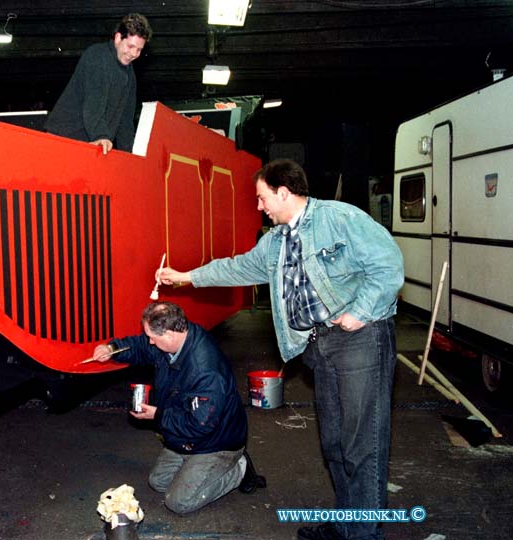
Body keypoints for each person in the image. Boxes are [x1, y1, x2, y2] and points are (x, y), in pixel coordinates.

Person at [157, 159, 404, 540]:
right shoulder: (274, 243)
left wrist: (360, 311)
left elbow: (387, 264)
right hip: (319, 346)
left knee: (362, 444)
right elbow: (237, 269)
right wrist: (186, 276)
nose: (259, 207)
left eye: (261, 197)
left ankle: (365, 533)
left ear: (283, 192)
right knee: (335, 443)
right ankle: (348, 524)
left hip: (360, 340)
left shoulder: (338, 218)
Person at [92, 301, 266, 515]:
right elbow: (139, 346)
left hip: (216, 441)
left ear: (169, 334)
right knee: (159, 482)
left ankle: (239, 468)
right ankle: (198, 469)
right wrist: (111, 349)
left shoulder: (206, 371)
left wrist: (157, 415)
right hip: (187, 436)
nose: (150, 342)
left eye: (153, 338)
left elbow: (199, 425)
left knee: (179, 502)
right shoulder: (176, 338)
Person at [44, 13, 151, 154]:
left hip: (88, 142)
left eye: (139, 50)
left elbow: (125, 120)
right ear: (118, 38)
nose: (133, 54)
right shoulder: (97, 56)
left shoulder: (129, 74)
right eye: (130, 46)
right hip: (62, 139)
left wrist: (131, 155)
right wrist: (101, 136)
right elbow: (94, 104)